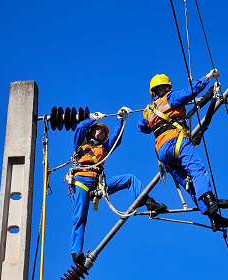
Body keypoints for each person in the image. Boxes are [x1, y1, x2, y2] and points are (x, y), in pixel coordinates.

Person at [137, 70, 228, 232]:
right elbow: (190, 92)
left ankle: (214, 218)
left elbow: (142, 127)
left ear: (154, 91)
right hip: (176, 140)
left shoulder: (148, 110)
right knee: (197, 171)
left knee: (189, 184)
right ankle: (211, 201)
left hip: (163, 152)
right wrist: (207, 78)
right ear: (165, 88)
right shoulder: (171, 97)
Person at [69, 106, 167, 265]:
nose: (100, 133)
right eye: (97, 130)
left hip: (98, 183)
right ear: (92, 132)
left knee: (129, 179)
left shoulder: (104, 148)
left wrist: (120, 120)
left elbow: (116, 139)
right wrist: (93, 119)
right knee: (80, 215)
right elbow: (80, 127)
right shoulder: (81, 144)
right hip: (81, 181)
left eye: (102, 132)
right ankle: (76, 252)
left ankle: (148, 202)